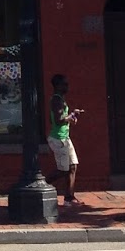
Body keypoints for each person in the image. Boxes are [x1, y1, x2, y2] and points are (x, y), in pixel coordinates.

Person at [47, 74, 83, 205]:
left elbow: (53, 119)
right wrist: (71, 116)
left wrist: (71, 116)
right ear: (57, 86)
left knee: (72, 166)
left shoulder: (60, 100)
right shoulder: (57, 100)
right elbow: (58, 120)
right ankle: (41, 184)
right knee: (63, 170)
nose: (67, 87)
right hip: (58, 139)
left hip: (65, 138)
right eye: (64, 84)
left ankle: (69, 198)